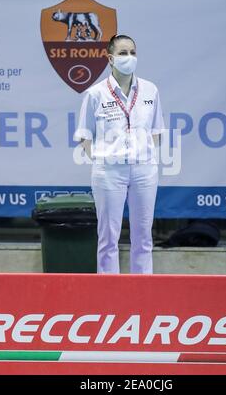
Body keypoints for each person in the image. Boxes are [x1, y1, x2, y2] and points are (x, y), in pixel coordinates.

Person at [75, 34, 165, 274]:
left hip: (144, 170)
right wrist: (103, 160)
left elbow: (156, 131)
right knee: (107, 238)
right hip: (109, 171)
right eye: (123, 53)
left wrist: (144, 156)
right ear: (110, 58)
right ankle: (108, 295)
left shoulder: (150, 90)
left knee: (143, 237)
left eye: (133, 52)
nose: (129, 57)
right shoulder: (96, 94)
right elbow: (85, 135)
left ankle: (142, 293)